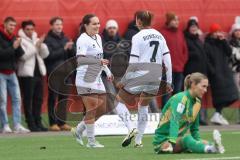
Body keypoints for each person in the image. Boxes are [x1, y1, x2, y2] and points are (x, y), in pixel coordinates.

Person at [116, 10, 172, 148]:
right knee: (143, 105)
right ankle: (138, 141)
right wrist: (169, 81)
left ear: (139, 21)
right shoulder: (160, 35)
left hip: (142, 72)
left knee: (118, 101)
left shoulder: (137, 37)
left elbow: (133, 62)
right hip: (156, 75)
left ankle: (131, 128)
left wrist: (124, 80)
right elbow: (168, 60)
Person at [153, 72, 225, 154]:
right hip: (164, 142)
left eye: (206, 87)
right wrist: (172, 142)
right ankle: (210, 149)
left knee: (205, 143)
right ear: (193, 84)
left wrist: (198, 142)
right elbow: (174, 121)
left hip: (179, 140)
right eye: (203, 86)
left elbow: (194, 129)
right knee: (187, 139)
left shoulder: (197, 103)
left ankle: (213, 147)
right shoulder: (180, 98)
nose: (205, 90)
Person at [71, 14, 113, 148]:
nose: (97, 26)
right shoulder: (82, 40)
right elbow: (80, 60)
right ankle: (91, 141)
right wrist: (98, 61)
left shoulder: (98, 37)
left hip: (97, 76)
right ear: (86, 25)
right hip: (85, 78)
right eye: (94, 24)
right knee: (92, 109)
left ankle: (78, 130)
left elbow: (99, 58)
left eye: (99, 23)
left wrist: (107, 71)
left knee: (103, 108)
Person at [17, 20, 49, 132]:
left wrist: (42, 46)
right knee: (28, 99)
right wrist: (36, 47)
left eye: (32, 29)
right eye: (27, 29)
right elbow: (23, 57)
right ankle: (31, 123)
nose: (30, 31)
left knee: (38, 99)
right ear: (23, 30)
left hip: (38, 73)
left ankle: (38, 122)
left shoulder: (36, 38)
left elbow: (45, 55)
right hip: (26, 74)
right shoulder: (20, 40)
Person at [204, 23, 239, 125]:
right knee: (220, 96)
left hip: (225, 72)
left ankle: (218, 114)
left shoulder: (222, 42)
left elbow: (229, 52)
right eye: (215, 32)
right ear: (211, 33)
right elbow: (206, 60)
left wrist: (223, 41)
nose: (217, 34)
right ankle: (217, 114)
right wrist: (212, 71)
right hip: (216, 74)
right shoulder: (207, 44)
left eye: (219, 31)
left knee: (233, 95)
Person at [0, 16, 30, 133]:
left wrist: (18, 45)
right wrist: (13, 47)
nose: (12, 27)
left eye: (14, 25)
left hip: (12, 72)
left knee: (17, 99)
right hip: (1, 73)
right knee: (2, 100)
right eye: (10, 25)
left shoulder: (13, 37)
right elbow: (1, 54)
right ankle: (5, 125)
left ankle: (17, 125)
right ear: (5, 24)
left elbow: (20, 55)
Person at [44, 17, 74, 131]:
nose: (59, 26)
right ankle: (53, 123)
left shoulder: (65, 38)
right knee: (53, 98)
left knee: (64, 99)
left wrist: (71, 48)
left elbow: (71, 55)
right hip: (54, 73)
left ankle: (62, 122)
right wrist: (64, 48)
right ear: (51, 26)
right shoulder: (47, 40)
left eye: (61, 24)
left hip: (66, 73)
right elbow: (48, 56)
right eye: (57, 24)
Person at [183, 19, 208, 125]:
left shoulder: (199, 39)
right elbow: (185, 53)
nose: (193, 28)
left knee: (200, 95)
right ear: (188, 28)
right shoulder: (186, 38)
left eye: (195, 26)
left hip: (201, 71)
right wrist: (194, 54)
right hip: (191, 71)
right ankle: (189, 117)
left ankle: (200, 118)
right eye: (192, 26)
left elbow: (204, 54)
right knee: (191, 95)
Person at [160, 12, 188, 106]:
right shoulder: (162, 33)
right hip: (167, 69)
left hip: (179, 69)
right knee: (167, 94)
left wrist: (182, 63)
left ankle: (176, 116)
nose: (176, 22)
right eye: (174, 20)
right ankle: (165, 116)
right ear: (169, 21)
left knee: (178, 94)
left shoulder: (180, 33)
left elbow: (185, 50)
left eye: (177, 20)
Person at [229, 22, 240, 123]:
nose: (238, 32)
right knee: (238, 93)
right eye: (236, 30)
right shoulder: (231, 43)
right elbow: (235, 57)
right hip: (236, 71)